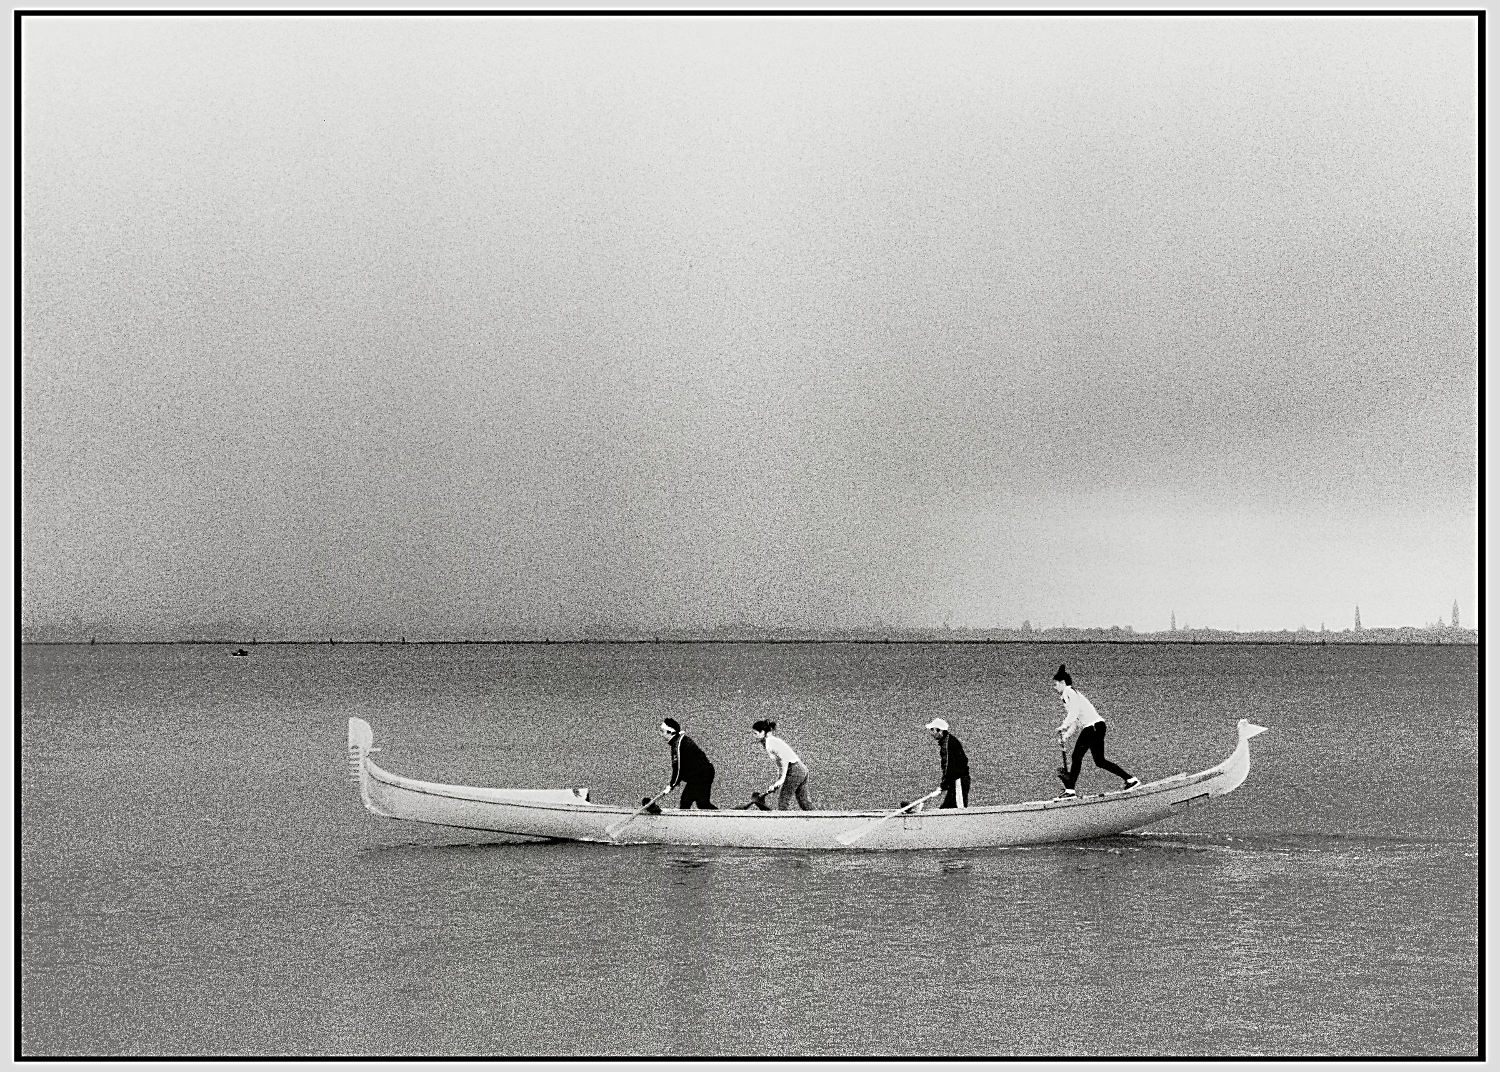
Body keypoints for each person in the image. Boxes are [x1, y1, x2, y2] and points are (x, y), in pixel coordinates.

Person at [1052, 664, 1140, 798]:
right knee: (1099, 761)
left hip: (1092, 727)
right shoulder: (1068, 695)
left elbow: (1074, 712)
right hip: (1097, 726)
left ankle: (1070, 790)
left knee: (1076, 757)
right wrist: (1066, 735)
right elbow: (1076, 721)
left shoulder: (1069, 692)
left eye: (1056, 684)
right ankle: (1131, 780)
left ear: (1063, 683)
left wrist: (1063, 725)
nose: (1054, 687)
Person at [752, 719, 813, 810]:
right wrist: (777, 782)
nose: (754, 736)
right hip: (801, 769)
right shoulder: (771, 741)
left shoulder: (770, 743)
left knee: (783, 800)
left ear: (763, 732)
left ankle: (782, 823)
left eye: (755, 733)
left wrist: (781, 780)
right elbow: (780, 764)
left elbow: (785, 759)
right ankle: (817, 822)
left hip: (795, 770)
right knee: (804, 802)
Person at [659, 718, 717, 810]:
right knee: (702, 804)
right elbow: (680, 768)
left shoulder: (678, 745)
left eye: (662, 731)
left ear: (670, 732)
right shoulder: (678, 742)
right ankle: (724, 817)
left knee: (686, 801)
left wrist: (672, 785)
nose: (661, 734)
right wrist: (673, 784)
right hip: (702, 774)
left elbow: (678, 768)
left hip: (701, 775)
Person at [925, 717, 972, 809]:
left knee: (959, 809)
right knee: (946, 808)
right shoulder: (947, 741)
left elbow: (948, 766)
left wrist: (944, 784)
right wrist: (946, 784)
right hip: (954, 781)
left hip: (959, 781)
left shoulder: (947, 744)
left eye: (932, 730)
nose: (931, 733)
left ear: (939, 731)